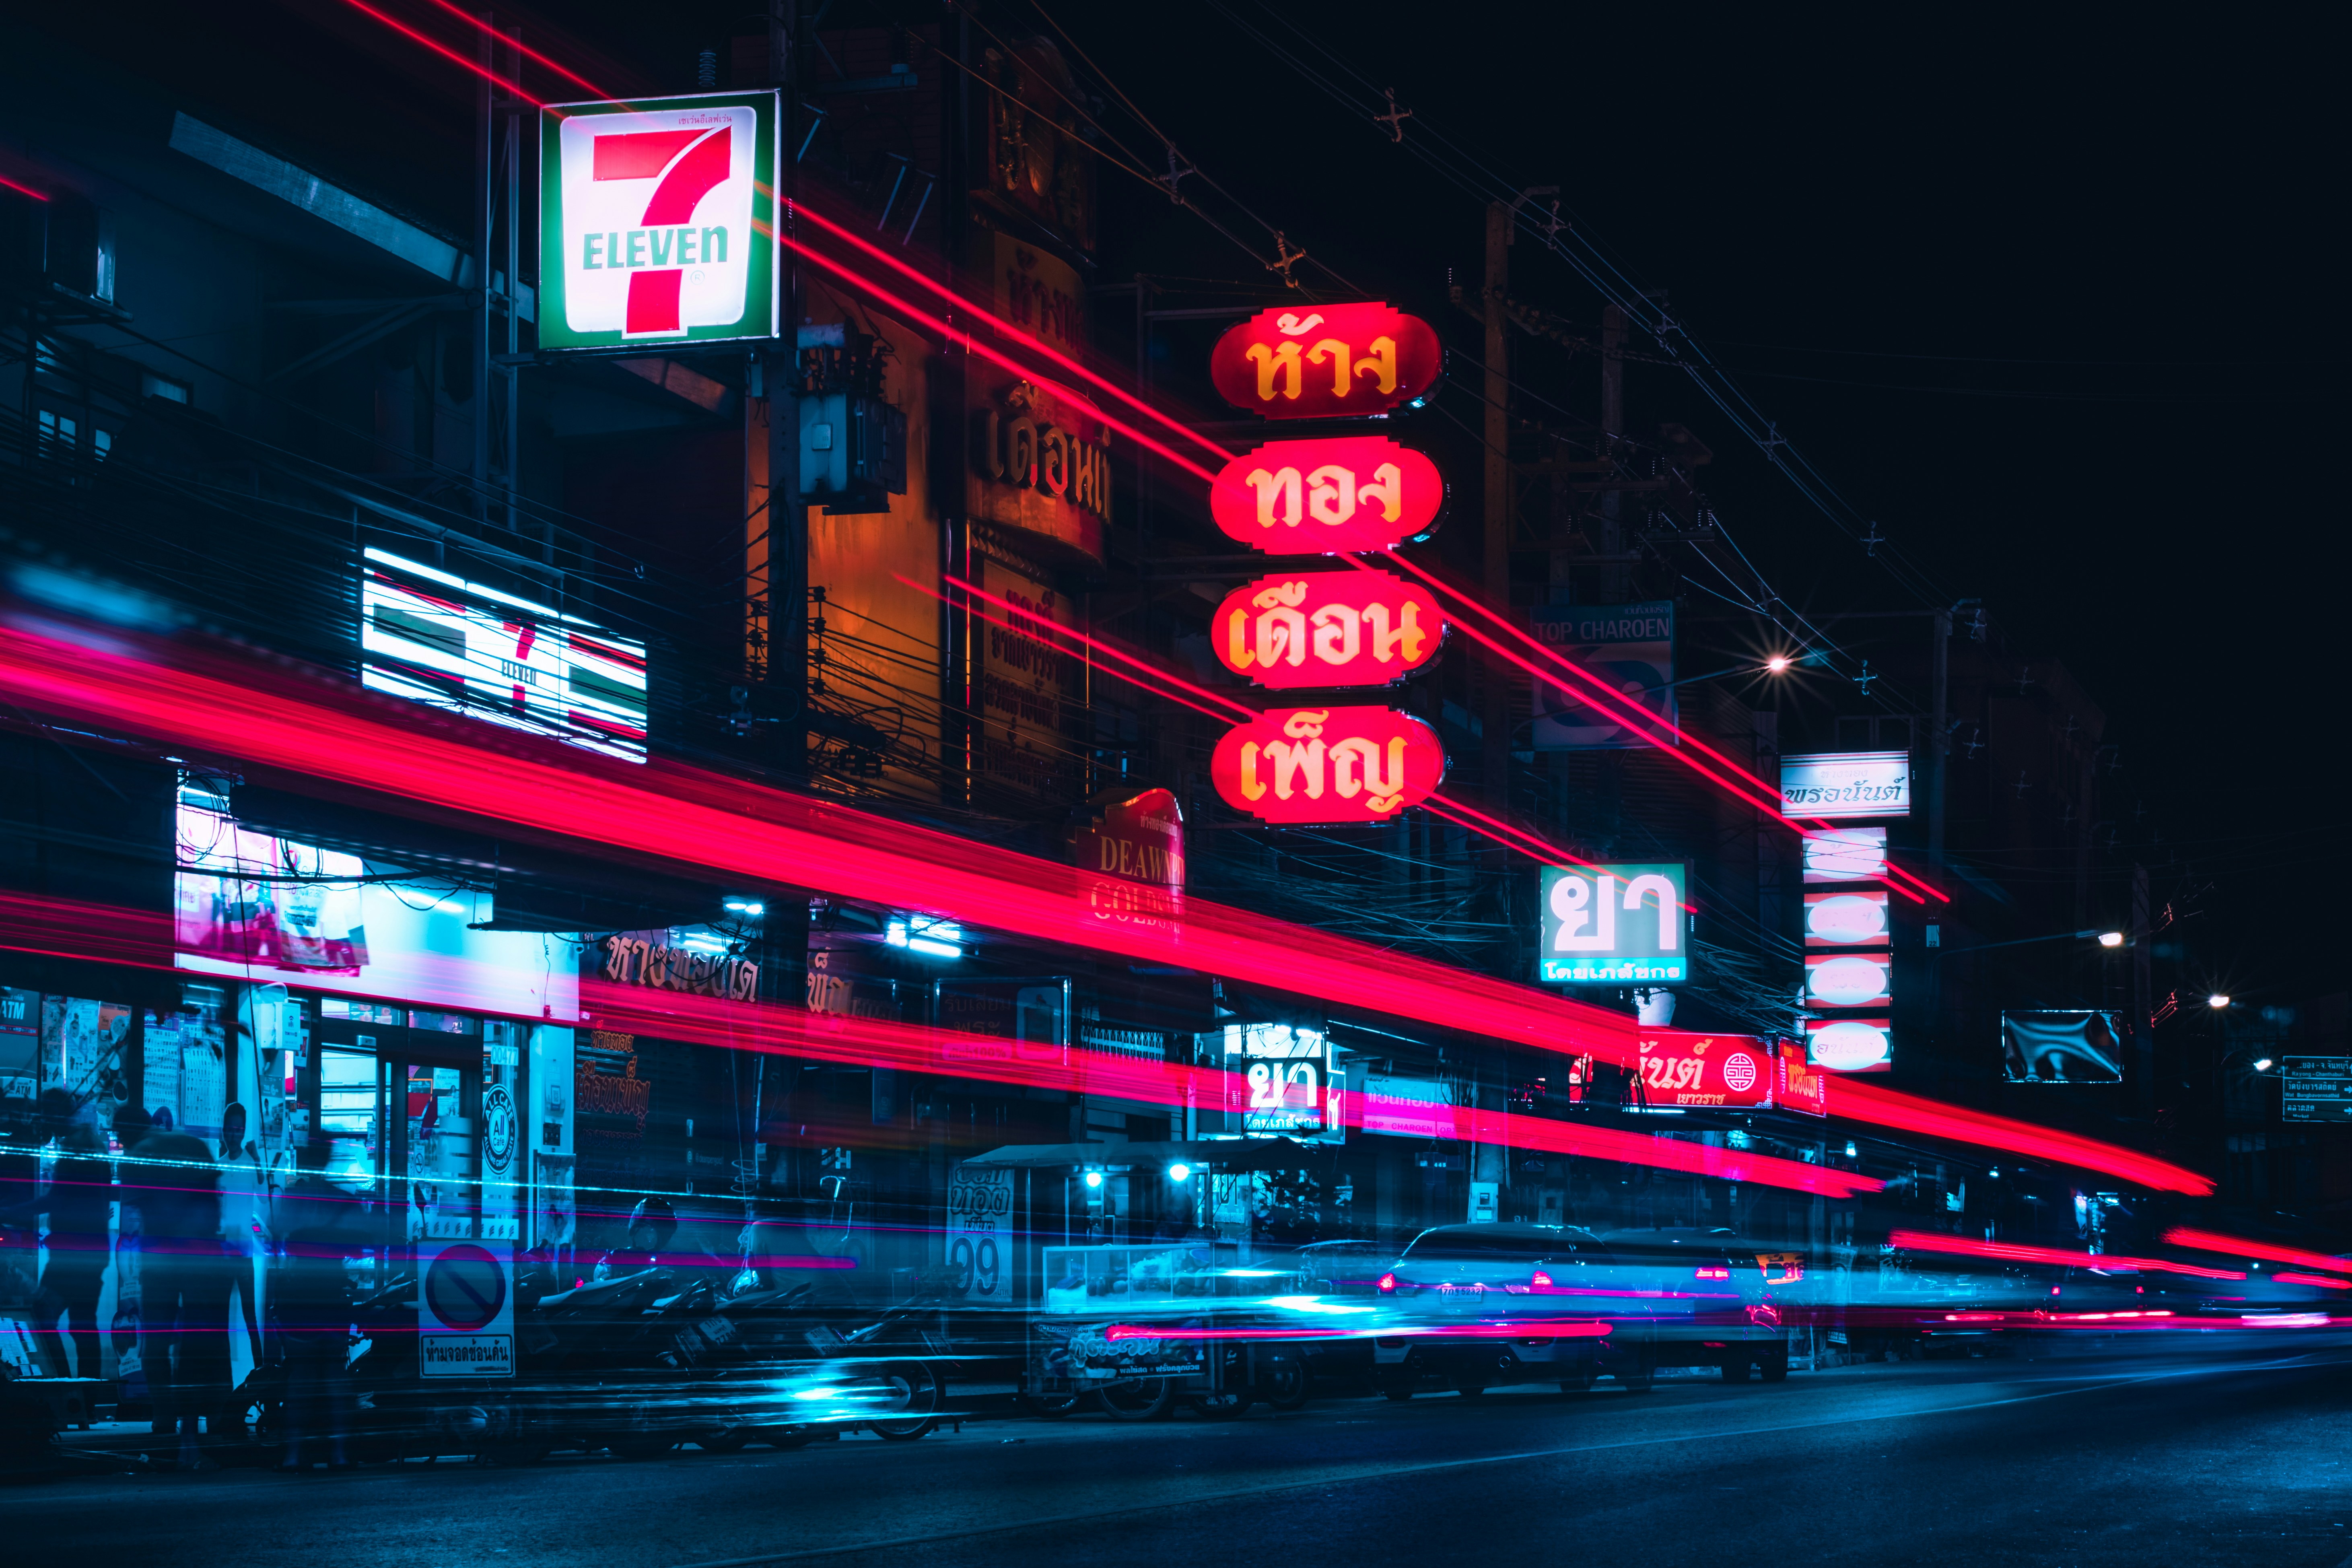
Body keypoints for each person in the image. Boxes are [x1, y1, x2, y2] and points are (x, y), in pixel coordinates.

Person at [126, 1115, 223, 1469]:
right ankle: (190, 1430)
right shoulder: (191, 1146)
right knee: (196, 1345)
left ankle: (166, 1419)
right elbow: (213, 1201)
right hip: (197, 1257)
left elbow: (138, 1207)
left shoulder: (137, 1156)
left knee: (156, 1344)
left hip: (160, 1260)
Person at [0, 1090, 113, 1381]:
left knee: (42, 1314)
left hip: (71, 1255)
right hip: (92, 1252)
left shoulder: (74, 1148)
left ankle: (64, 1387)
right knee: (83, 1326)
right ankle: (85, 1400)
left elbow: (54, 1200)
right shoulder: (92, 1143)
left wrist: (8, 1212)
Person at [271, 1140, 357, 1470]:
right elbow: (360, 1243)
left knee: (301, 1376)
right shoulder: (341, 1199)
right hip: (332, 1292)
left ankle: (294, 1453)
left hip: (300, 1293)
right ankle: (338, 1452)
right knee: (335, 1374)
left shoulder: (293, 1198)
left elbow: (278, 1236)